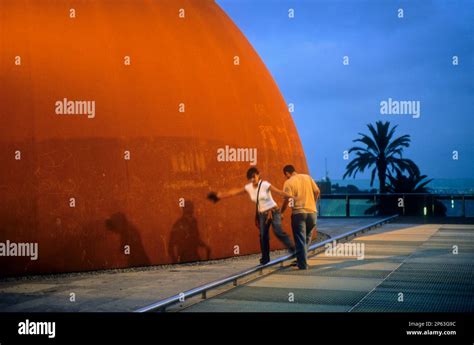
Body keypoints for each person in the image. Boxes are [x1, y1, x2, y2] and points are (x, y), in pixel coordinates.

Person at [208, 167, 295, 265]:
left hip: (274, 211)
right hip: (262, 214)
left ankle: (293, 249)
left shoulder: (265, 184)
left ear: (258, 175)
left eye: (254, 176)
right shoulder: (249, 187)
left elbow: (279, 192)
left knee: (278, 231)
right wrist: (219, 196)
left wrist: (293, 196)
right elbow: (234, 192)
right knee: (263, 236)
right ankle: (265, 258)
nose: (253, 179)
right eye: (250, 178)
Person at [280, 165, 320, 270]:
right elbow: (317, 191)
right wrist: (313, 203)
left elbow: (287, 199)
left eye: (285, 175)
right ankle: (302, 260)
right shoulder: (307, 177)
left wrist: (281, 212)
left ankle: (302, 265)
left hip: (299, 213)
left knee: (300, 240)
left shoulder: (289, 182)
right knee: (306, 239)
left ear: (287, 173)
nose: (286, 177)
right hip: (312, 213)